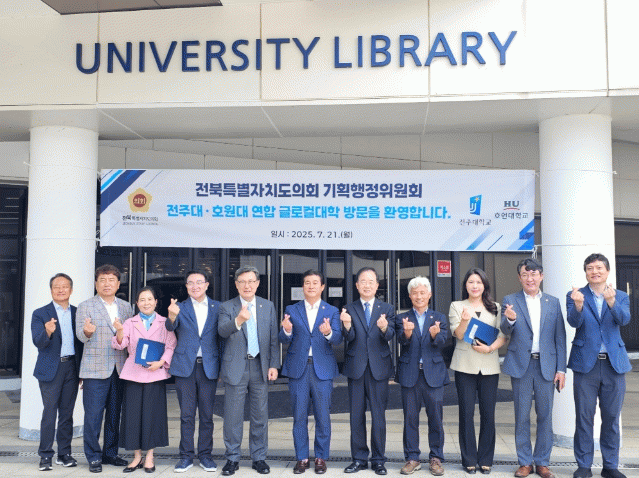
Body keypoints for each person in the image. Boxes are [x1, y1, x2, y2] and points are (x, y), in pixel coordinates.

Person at [567, 253, 631, 478]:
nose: (594, 272)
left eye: (599, 268)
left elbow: (624, 320)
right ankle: (584, 465)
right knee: (584, 417)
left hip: (614, 365)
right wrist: (578, 306)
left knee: (612, 418)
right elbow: (573, 323)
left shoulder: (620, 295)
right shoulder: (576, 295)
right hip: (586, 365)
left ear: (607, 271)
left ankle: (610, 466)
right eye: (590, 268)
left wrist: (612, 303)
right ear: (585, 272)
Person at [501, 259, 566, 478]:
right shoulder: (510, 300)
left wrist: (561, 369)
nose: (530, 278)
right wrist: (510, 320)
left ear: (541, 276)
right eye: (525, 274)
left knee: (545, 416)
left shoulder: (553, 302)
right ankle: (525, 462)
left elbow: (560, 337)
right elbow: (505, 329)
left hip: (546, 365)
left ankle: (542, 463)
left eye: (534, 274)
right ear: (519, 278)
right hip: (521, 364)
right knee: (521, 415)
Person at [218, 266, 280, 475]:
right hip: (236, 367)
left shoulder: (267, 305)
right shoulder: (227, 306)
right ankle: (232, 458)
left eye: (251, 281)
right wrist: (238, 320)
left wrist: (274, 364)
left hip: (260, 366)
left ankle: (259, 458)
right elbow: (222, 331)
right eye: (242, 281)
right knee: (233, 416)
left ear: (258, 283)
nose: (247, 285)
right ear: (236, 285)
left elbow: (273, 338)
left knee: (260, 415)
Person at [279, 269, 341, 474]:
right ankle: (302, 458)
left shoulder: (331, 310)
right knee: (299, 416)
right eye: (307, 282)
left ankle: (321, 457)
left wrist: (328, 333)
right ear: (302, 286)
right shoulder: (292, 309)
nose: (311, 286)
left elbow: (338, 338)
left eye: (315, 283)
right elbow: (283, 338)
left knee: (323, 416)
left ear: (322, 287)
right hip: (299, 368)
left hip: (322, 369)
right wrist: (287, 330)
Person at [112, 286, 177, 473]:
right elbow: (120, 344)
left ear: (156, 302)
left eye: (149, 299)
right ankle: (137, 456)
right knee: (133, 416)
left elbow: (171, 346)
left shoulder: (164, 322)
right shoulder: (129, 322)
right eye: (142, 300)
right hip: (133, 374)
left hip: (155, 374)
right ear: (137, 303)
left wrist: (161, 362)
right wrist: (119, 331)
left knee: (152, 416)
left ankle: (150, 456)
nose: (146, 303)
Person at [76, 264, 133, 473]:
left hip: (119, 368)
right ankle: (93, 456)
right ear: (96, 284)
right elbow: (80, 336)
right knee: (93, 415)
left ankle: (110, 453)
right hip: (94, 369)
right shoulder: (85, 306)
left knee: (114, 414)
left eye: (111, 280)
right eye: (102, 280)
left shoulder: (126, 307)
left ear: (118, 284)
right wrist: (87, 332)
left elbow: (129, 337)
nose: (107, 284)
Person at [448, 268, 505, 475]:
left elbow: (503, 336)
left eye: (478, 282)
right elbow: (458, 334)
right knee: (466, 413)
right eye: (471, 282)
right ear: (465, 285)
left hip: (489, 366)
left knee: (488, 414)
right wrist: (464, 320)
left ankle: (486, 459)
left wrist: (490, 348)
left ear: (484, 285)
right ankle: (469, 459)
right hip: (465, 365)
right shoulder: (457, 305)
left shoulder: (496, 307)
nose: (475, 286)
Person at [165, 270, 223, 473]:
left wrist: (222, 367)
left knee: (207, 415)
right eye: (190, 283)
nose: (195, 286)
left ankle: (206, 456)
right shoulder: (179, 307)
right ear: (186, 286)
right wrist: (172, 316)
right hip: (185, 367)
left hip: (209, 366)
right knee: (186, 415)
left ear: (207, 285)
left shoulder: (218, 307)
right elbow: (170, 328)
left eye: (199, 282)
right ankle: (186, 456)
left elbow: (222, 337)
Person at [340, 267, 395, 476]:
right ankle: (359, 459)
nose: (367, 285)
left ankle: (379, 460)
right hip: (356, 368)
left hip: (379, 368)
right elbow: (349, 338)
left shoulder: (387, 308)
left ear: (377, 285)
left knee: (378, 416)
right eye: (363, 281)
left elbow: (390, 336)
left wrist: (384, 328)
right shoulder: (349, 308)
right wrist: (346, 326)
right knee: (356, 416)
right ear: (357, 285)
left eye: (371, 281)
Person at [396, 276, 449, 476]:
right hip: (410, 374)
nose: (419, 296)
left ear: (429, 294)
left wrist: (435, 334)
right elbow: (400, 340)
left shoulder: (439, 317)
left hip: (433, 374)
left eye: (422, 292)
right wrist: (407, 334)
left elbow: (442, 342)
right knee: (410, 418)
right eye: (415, 293)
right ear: (410, 296)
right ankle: (412, 458)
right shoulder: (402, 317)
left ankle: (436, 458)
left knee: (435, 418)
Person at [31, 273, 83, 471]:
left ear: (71, 289)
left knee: (67, 414)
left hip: (72, 367)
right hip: (51, 369)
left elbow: (81, 343)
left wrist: (81, 371)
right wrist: (47, 331)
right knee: (49, 413)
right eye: (56, 287)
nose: (61, 290)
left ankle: (64, 454)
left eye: (65, 286)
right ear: (51, 290)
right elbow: (38, 342)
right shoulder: (40, 313)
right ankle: (45, 455)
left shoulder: (78, 312)